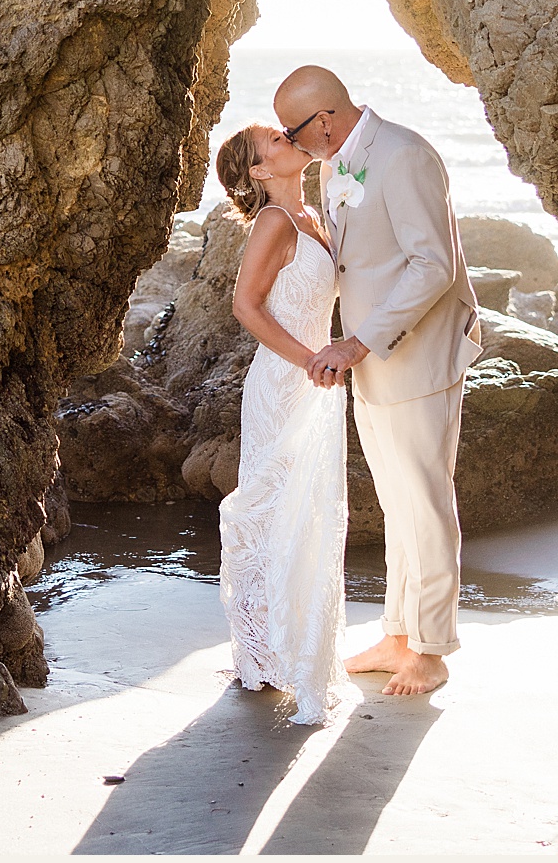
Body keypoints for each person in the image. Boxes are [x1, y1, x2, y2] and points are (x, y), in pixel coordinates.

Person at [274, 64, 480, 697]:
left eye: (296, 130)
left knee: (425, 503)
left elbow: (433, 264)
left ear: (326, 120)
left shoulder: (404, 155)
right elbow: (352, 255)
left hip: (414, 357)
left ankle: (434, 649)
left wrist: (359, 340)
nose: (295, 141)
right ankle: (398, 635)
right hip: (371, 359)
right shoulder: (340, 164)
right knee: (397, 504)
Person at [211, 119, 352, 724]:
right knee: (273, 506)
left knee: (310, 508)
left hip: (317, 383)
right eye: (271, 142)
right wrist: (310, 359)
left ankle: (291, 648)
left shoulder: (314, 218)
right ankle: (266, 652)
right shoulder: (274, 221)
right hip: (284, 383)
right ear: (260, 174)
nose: (285, 138)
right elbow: (246, 306)